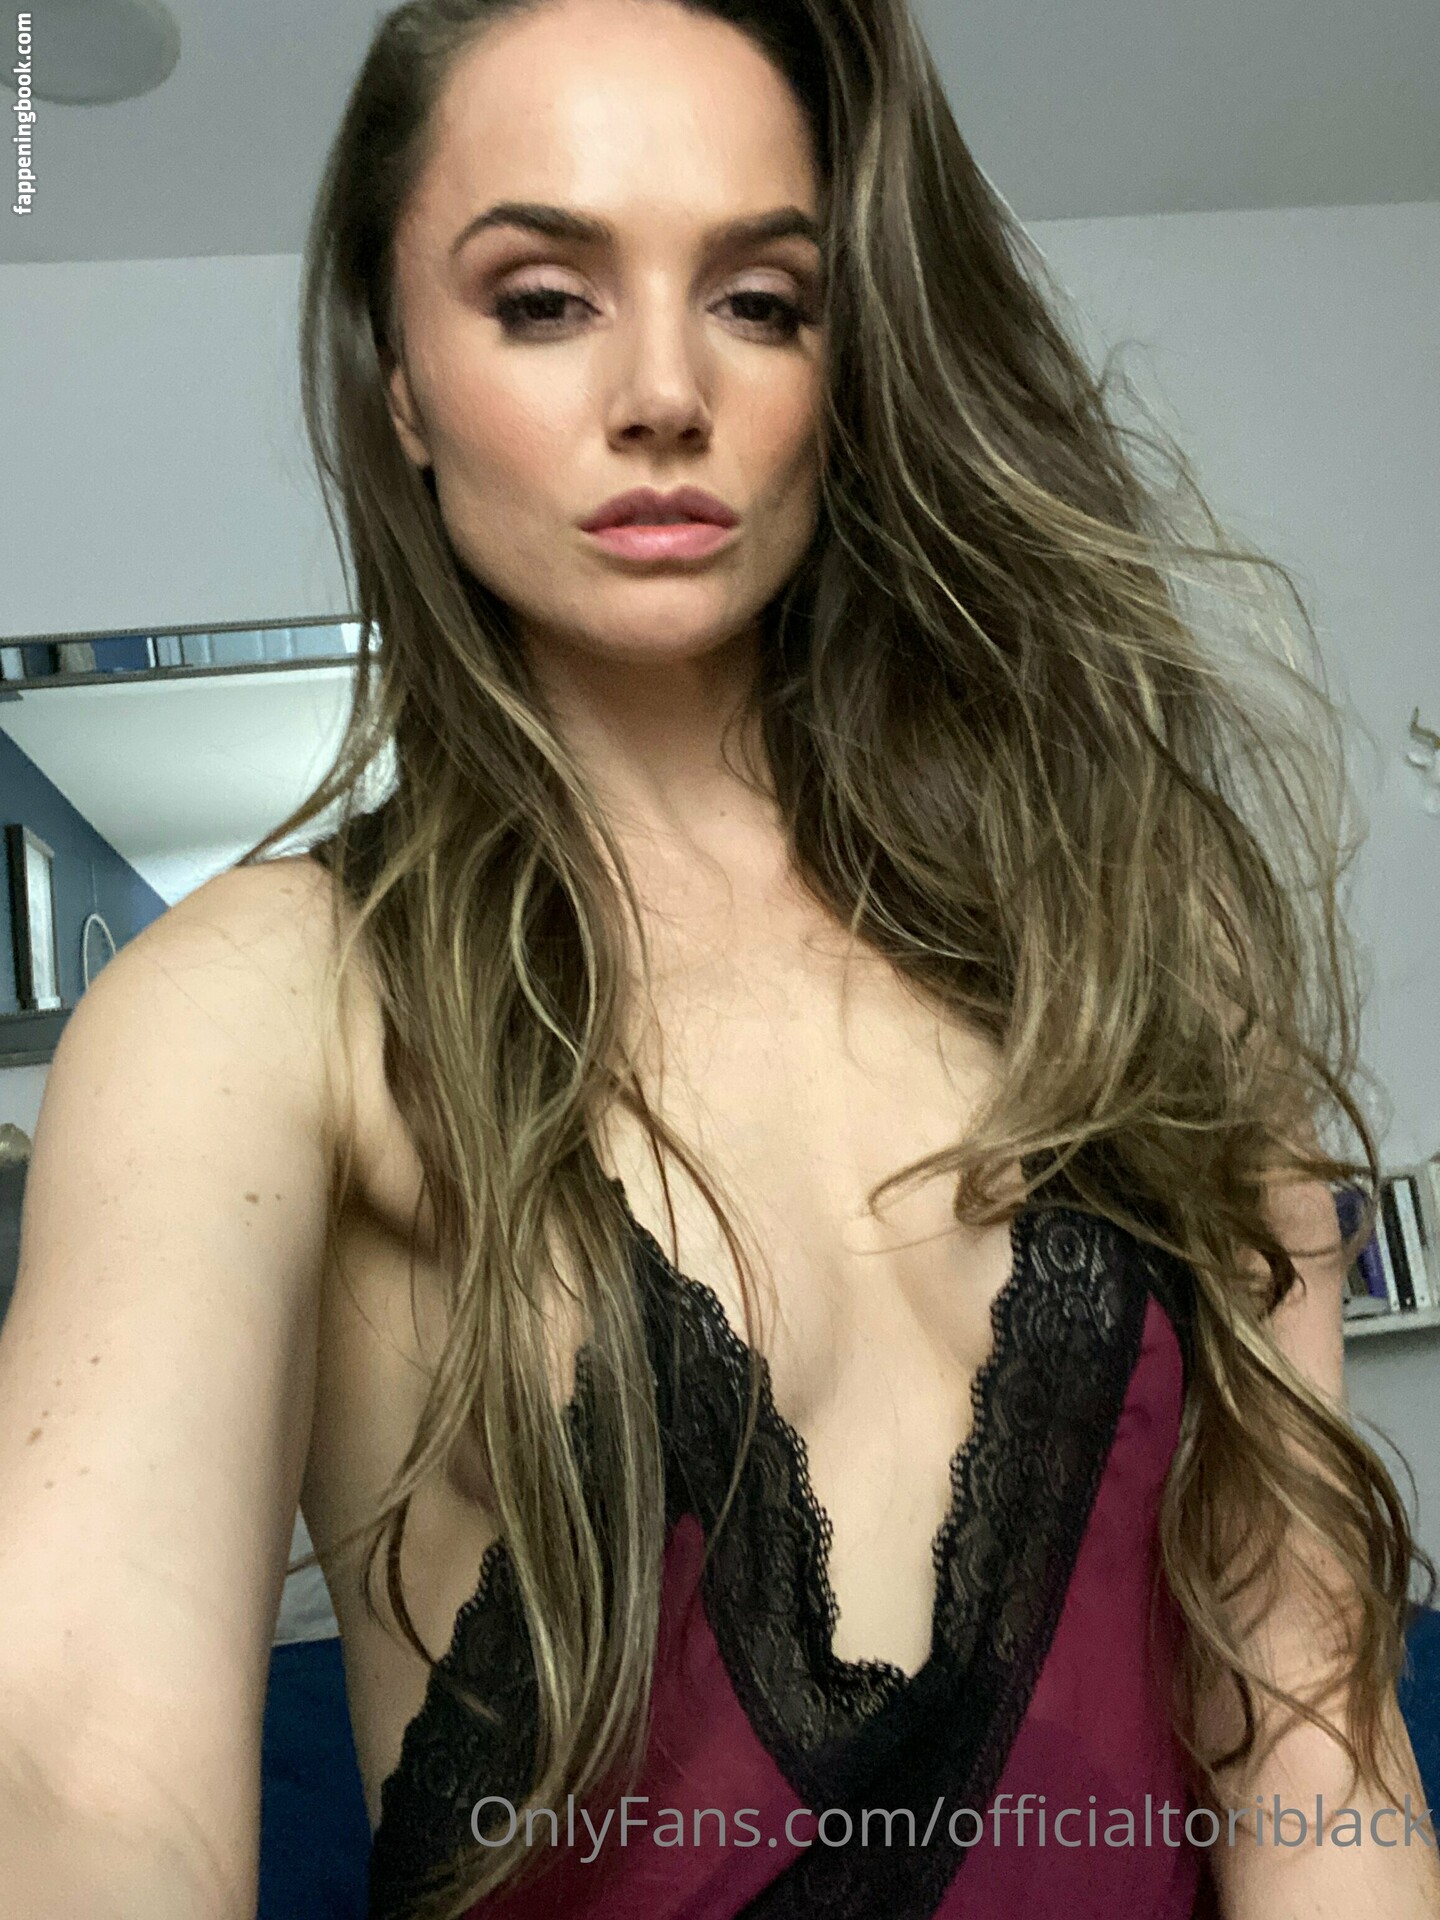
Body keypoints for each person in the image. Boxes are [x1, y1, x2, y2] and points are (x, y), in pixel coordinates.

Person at [0, 0, 1435, 1916]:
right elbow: (74, 1767)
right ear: (400, 382)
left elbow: (1319, 1740)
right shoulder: (262, 1012)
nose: (666, 390)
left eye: (761, 301)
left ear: (853, 360)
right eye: (542, 299)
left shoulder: (1140, 949)